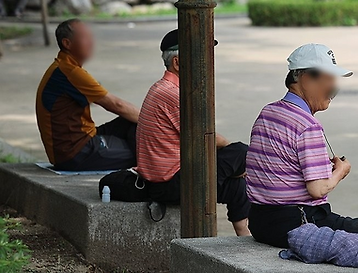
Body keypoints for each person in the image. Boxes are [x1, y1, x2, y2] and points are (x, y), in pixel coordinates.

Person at [246, 43, 358, 270]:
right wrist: (340, 172)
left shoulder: (269, 112)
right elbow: (317, 189)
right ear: (305, 78)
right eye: (330, 79)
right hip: (298, 222)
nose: (334, 88)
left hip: (261, 222)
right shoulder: (307, 125)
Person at [135, 29, 250, 236]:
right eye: (200, 56)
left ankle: (245, 236)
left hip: (173, 177)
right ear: (177, 63)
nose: (206, 62)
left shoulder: (164, 88)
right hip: (170, 184)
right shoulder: (172, 94)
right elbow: (209, 137)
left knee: (236, 185)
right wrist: (238, 159)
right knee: (242, 152)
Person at [36, 19, 140, 171]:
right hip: (74, 153)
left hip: (85, 136)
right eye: (85, 38)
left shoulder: (63, 66)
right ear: (67, 43)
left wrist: (148, 121)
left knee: (132, 123)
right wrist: (155, 122)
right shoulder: (70, 72)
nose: (92, 43)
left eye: (91, 37)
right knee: (146, 153)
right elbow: (116, 105)